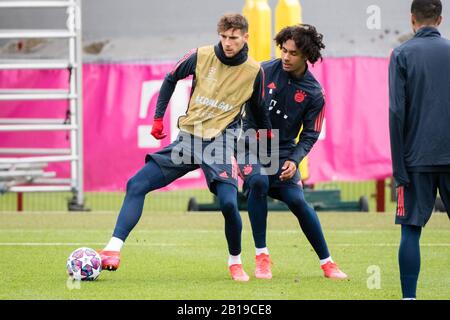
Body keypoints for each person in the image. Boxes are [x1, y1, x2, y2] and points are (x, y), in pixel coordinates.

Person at [98, 13, 271, 282]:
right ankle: (112, 249)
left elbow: (260, 114)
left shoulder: (254, 71)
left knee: (228, 204)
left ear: (245, 37)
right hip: (188, 140)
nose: (227, 43)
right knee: (136, 184)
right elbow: (170, 79)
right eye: (224, 37)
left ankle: (235, 261)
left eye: (233, 38)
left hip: (221, 144)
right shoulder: (200, 55)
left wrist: (266, 153)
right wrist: (157, 117)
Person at [240, 24, 347, 280]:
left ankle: (328, 263)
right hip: (252, 142)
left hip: (284, 151)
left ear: (307, 56)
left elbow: (310, 135)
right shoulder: (262, 71)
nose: (286, 57)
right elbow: (238, 104)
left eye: (293, 53)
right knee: (257, 181)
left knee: (298, 202)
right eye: (284, 50)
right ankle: (261, 256)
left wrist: (294, 160)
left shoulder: (314, 93)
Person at [389, 0, 450, 300]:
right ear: (441, 19)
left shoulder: (401, 53)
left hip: (415, 159)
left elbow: (396, 111)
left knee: (411, 230)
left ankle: (409, 298)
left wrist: (398, 166)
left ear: (412, 19)